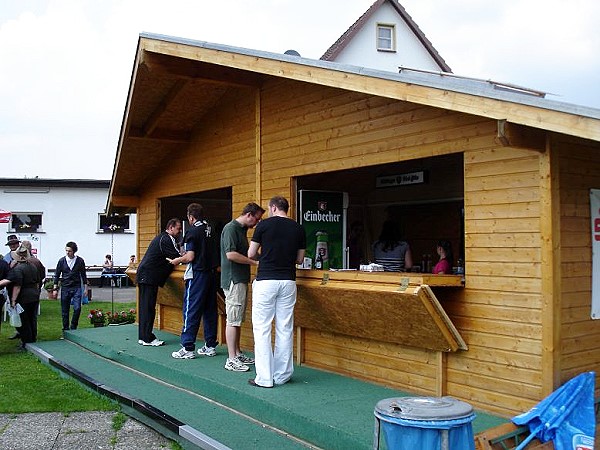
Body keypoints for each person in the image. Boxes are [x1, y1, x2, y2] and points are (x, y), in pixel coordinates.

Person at [247, 196, 306, 388]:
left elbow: (250, 253)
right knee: (285, 327)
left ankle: (264, 378)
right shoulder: (298, 228)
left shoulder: (263, 226)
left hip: (266, 280)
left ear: (273, 208)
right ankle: (282, 375)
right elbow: (299, 259)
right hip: (288, 280)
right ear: (286, 209)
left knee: (262, 328)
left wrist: (266, 255)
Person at [168, 203, 219, 359]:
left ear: (190, 217)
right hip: (212, 274)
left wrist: (177, 260)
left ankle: (187, 347)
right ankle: (210, 345)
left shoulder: (192, 232)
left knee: (191, 309)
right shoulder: (212, 230)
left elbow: (190, 256)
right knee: (210, 310)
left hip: (198, 275)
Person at [220, 202, 265, 372]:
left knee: (237, 319)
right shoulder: (231, 228)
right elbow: (230, 255)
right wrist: (254, 262)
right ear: (249, 215)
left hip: (240, 279)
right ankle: (231, 359)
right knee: (232, 319)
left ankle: (237, 353)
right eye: (257, 219)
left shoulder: (241, 230)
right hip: (233, 279)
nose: (257, 223)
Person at [136, 218, 182, 346]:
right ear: (171, 227)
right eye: (178, 229)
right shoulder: (167, 239)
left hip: (145, 275)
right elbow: (177, 255)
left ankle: (143, 337)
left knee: (145, 307)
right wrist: (187, 257)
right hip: (149, 276)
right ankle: (148, 338)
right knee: (148, 308)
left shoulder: (161, 238)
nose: (179, 232)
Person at [0, 244, 41, 350]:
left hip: (23, 297)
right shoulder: (33, 266)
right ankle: (33, 340)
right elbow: (37, 282)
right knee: (32, 319)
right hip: (34, 295)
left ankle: (26, 343)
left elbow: (17, 286)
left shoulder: (18, 269)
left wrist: (13, 300)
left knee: (24, 321)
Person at [53, 241, 89, 331]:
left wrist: (85, 288)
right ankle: (65, 328)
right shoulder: (62, 261)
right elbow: (57, 274)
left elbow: (83, 275)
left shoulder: (80, 261)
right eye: (66, 251)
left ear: (74, 251)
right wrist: (55, 288)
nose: (67, 253)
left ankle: (73, 327)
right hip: (65, 287)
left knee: (77, 308)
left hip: (76, 287)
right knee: (65, 310)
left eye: (69, 251)